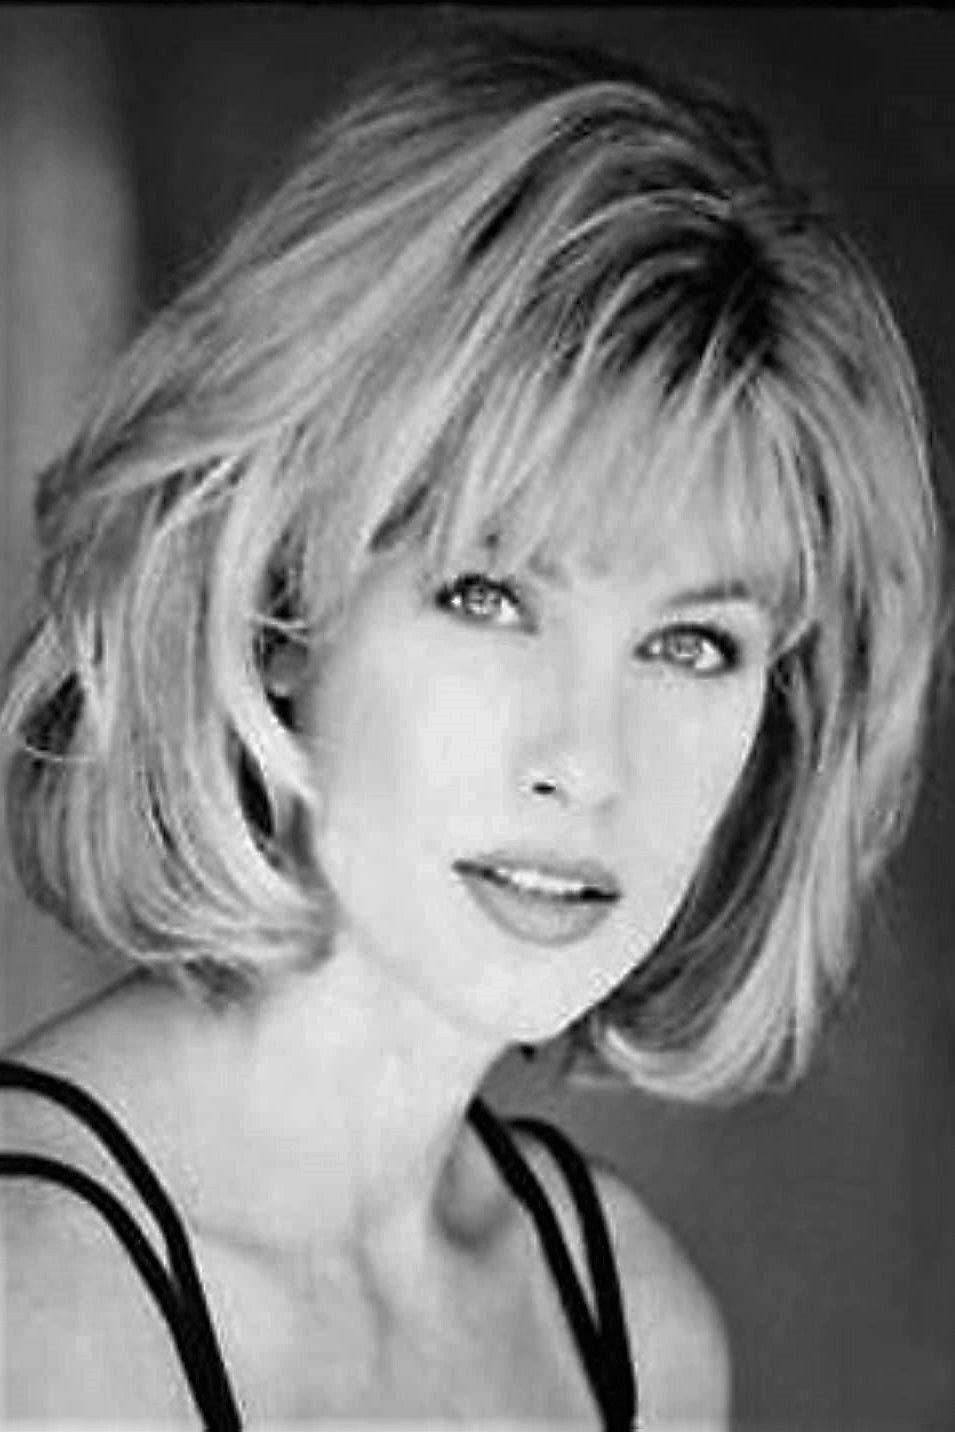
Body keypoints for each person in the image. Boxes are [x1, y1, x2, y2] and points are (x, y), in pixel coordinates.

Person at [0, 17, 946, 1428]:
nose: (587, 761)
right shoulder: (33, 1305)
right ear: (275, 602)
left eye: (690, 644)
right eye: (488, 596)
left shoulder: (633, 1328)